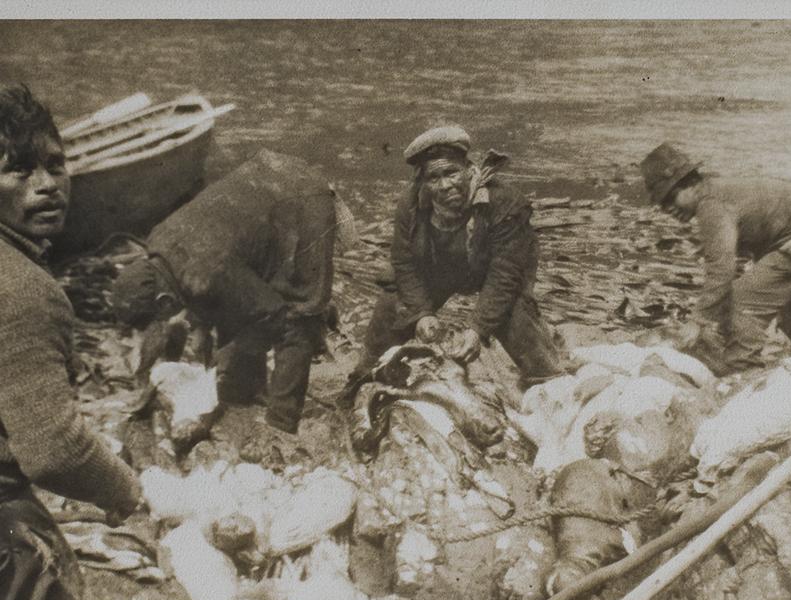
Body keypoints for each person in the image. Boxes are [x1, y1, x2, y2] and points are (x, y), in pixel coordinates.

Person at [0, 84, 142, 600]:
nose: (47, 183)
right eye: (18, 169)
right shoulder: (24, 290)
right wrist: (125, 493)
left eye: (56, 165)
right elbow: (55, 450)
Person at [111, 149, 338, 435]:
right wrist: (148, 376)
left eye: (160, 316)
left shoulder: (206, 276)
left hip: (302, 199)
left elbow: (273, 314)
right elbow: (220, 303)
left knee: (296, 321)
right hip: (264, 175)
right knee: (241, 305)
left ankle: (281, 425)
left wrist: (232, 352)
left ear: (164, 301)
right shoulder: (159, 239)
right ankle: (248, 386)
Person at [344, 125, 562, 393]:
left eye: (451, 172)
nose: (445, 185)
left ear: (468, 168)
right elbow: (404, 263)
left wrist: (477, 330)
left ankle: (546, 381)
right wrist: (422, 313)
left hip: (491, 267)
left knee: (516, 312)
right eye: (434, 177)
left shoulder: (504, 202)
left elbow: (504, 274)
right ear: (422, 181)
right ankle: (364, 379)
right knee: (393, 305)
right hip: (439, 266)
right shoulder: (410, 205)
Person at [640, 142, 791, 373]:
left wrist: (698, 320)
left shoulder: (711, 206)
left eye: (670, 198)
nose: (667, 209)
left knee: (741, 300)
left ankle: (744, 371)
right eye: (662, 204)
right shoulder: (719, 190)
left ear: (690, 185)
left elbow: (721, 269)